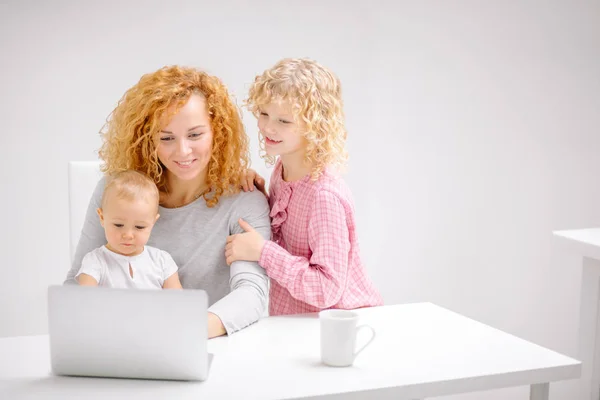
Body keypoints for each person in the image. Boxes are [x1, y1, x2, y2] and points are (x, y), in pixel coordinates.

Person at [65, 65, 271, 338]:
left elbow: (252, 293)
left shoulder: (245, 199)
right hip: (120, 342)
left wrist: (183, 331)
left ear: (217, 133)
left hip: (208, 346)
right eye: (166, 138)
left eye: (195, 135)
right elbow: (75, 281)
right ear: (147, 138)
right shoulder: (115, 189)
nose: (183, 151)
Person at [225, 58, 383, 316]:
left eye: (284, 121)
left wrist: (263, 252)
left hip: (340, 326)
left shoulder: (324, 196)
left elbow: (326, 289)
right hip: (299, 321)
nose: (268, 127)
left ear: (315, 126)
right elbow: (289, 230)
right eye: (264, 114)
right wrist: (260, 193)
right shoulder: (283, 169)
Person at [76, 169, 182, 289]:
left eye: (139, 227)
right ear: (102, 217)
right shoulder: (95, 262)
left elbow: (178, 304)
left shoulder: (162, 261)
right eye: (118, 225)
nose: (128, 235)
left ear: (153, 222)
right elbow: (85, 301)